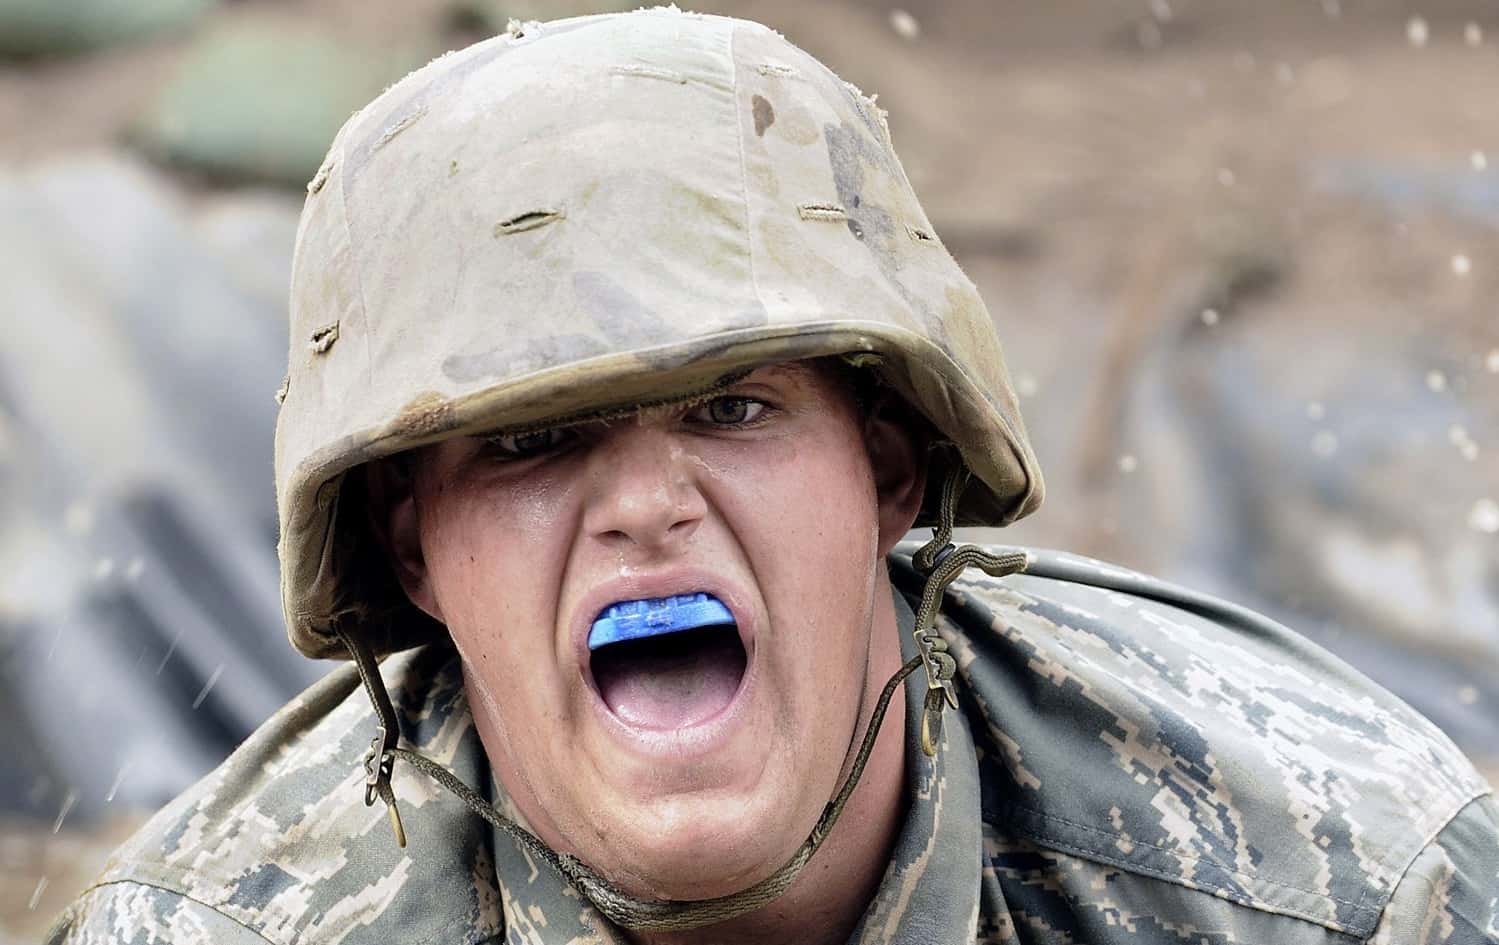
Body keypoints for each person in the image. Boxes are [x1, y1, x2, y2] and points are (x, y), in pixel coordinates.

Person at [48, 8, 1497, 944]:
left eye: (733, 408)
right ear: (413, 549)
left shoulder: (1338, 887)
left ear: (888, 470)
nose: (646, 504)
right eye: (531, 440)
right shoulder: (215, 928)